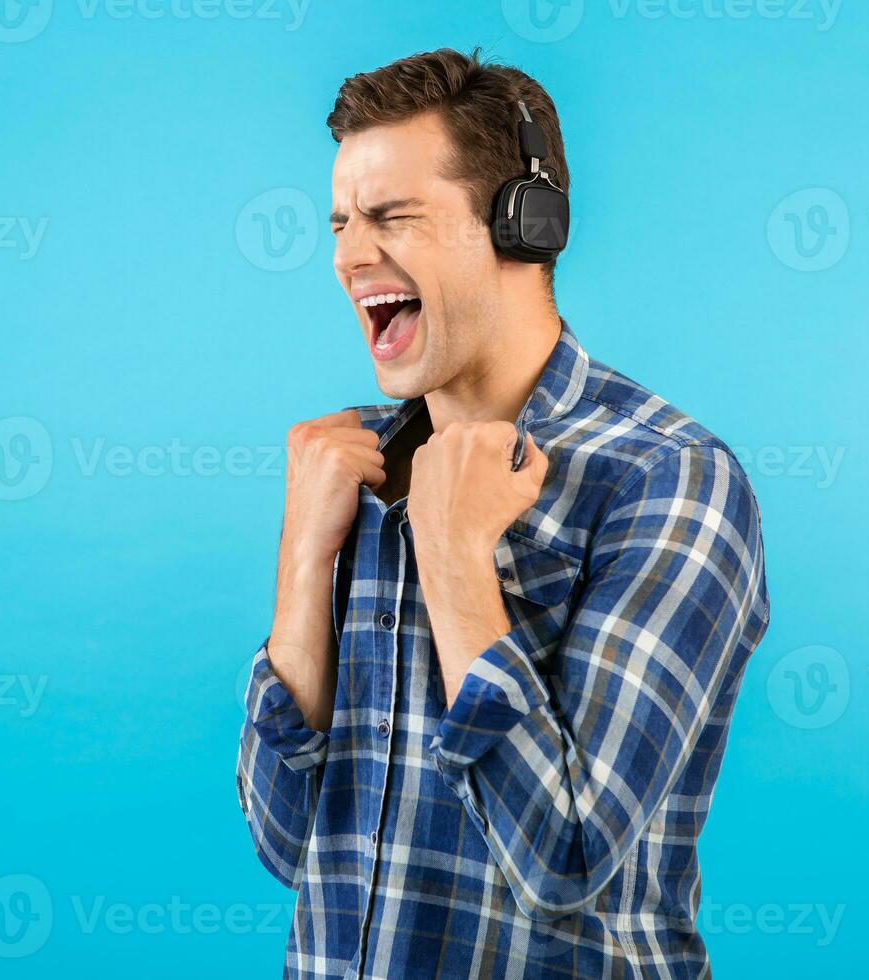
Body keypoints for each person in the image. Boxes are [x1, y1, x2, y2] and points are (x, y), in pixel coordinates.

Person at [236, 47, 771, 979]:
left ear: (525, 224)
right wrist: (302, 564)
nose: (350, 256)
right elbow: (286, 845)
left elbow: (566, 858)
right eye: (339, 224)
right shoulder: (351, 469)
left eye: (392, 217)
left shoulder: (669, 480)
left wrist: (453, 561)